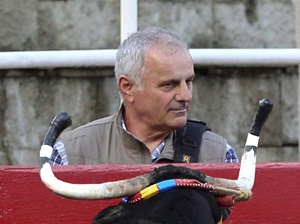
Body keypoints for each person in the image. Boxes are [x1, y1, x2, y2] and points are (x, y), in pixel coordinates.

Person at [50, 26, 238, 166]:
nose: (185, 96)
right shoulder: (70, 153)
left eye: (188, 82)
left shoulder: (219, 154)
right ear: (127, 87)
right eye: (169, 84)